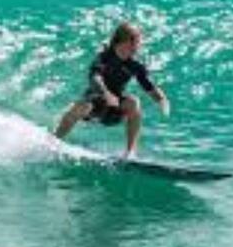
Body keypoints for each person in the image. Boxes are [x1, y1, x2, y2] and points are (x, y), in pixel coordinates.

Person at [54, 22, 170, 159]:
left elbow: (148, 86)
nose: (138, 47)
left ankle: (130, 153)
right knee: (83, 105)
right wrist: (106, 93)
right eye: (136, 43)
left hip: (113, 110)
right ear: (125, 42)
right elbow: (95, 77)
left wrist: (162, 100)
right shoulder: (104, 57)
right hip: (94, 106)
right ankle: (54, 141)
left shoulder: (135, 65)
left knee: (134, 102)